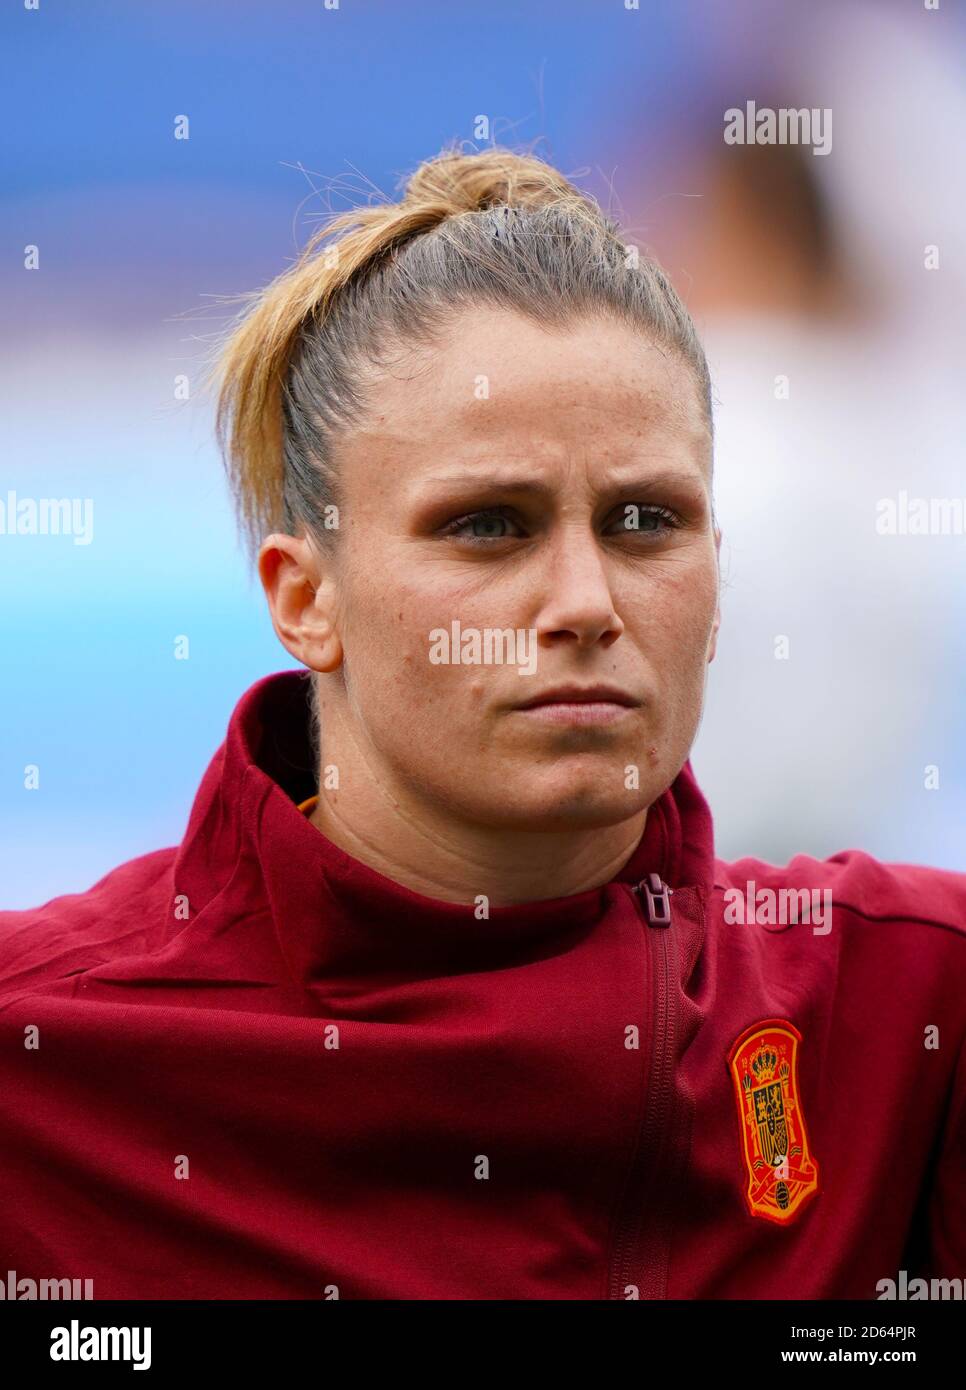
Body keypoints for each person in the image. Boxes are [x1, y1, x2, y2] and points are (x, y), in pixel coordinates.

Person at [1, 146, 963, 1301]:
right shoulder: (43, 1057)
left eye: (646, 520)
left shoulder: (906, 1011)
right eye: (489, 528)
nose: (586, 605)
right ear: (305, 598)